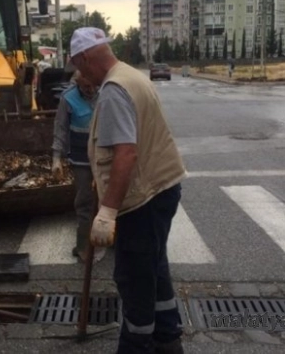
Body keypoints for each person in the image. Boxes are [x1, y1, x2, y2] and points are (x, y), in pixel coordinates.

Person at [67, 27, 187, 354]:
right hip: (162, 188)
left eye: (79, 66)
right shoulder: (131, 76)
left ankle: (136, 343)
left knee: (134, 278)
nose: (80, 74)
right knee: (154, 268)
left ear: (86, 57)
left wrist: (106, 212)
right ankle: (167, 338)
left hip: (142, 200)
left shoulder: (113, 91)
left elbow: (126, 153)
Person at [51, 70, 104, 263]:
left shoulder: (106, 93)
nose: (91, 90)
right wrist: (56, 159)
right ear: (78, 84)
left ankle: (108, 241)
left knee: (108, 200)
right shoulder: (68, 99)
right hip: (81, 160)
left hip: (104, 158)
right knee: (84, 203)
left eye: (93, 86)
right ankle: (83, 247)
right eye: (85, 87)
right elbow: (61, 129)